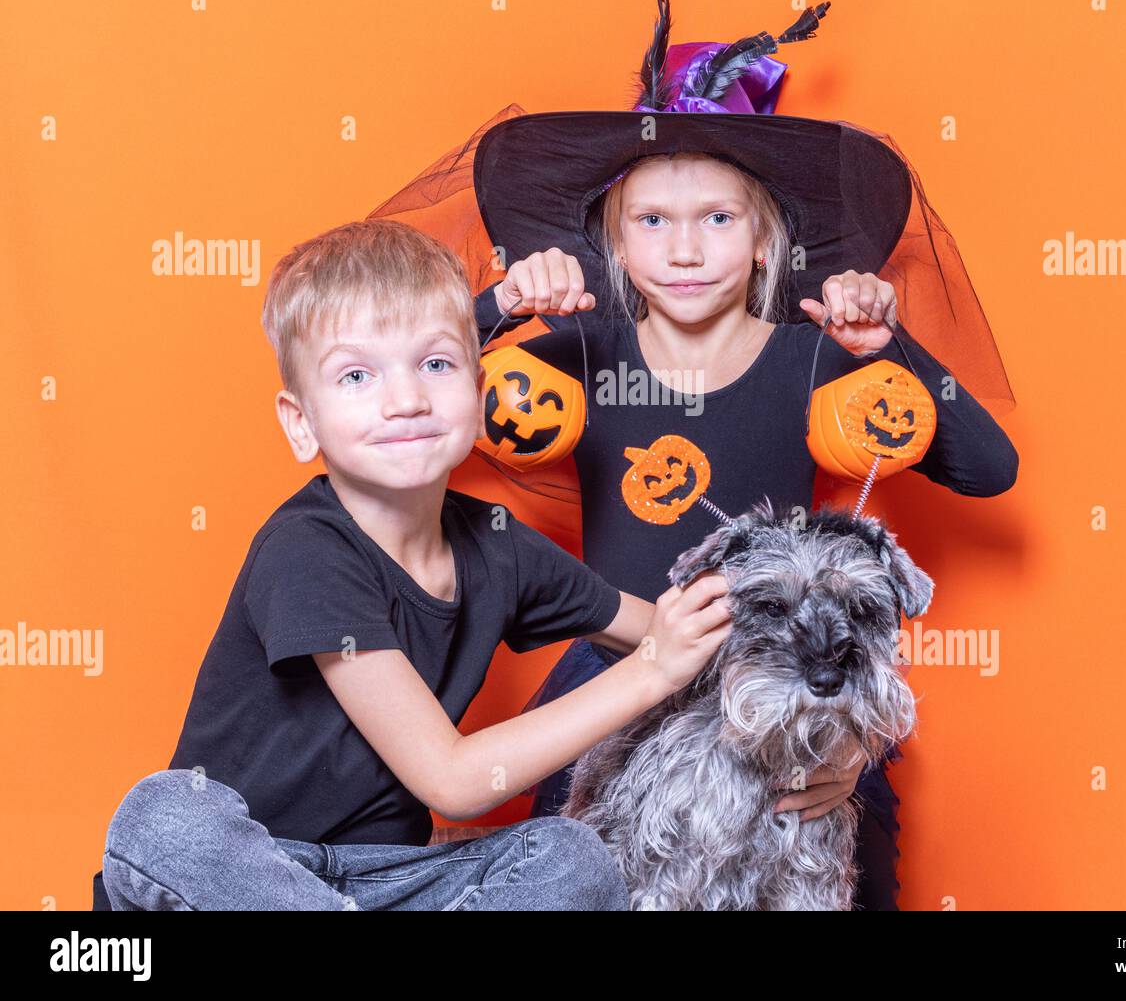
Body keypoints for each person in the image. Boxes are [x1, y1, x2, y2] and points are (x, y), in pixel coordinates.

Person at [392, 0, 1020, 910]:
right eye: (654, 222)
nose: (685, 251)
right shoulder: (583, 349)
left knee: (846, 857)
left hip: (780, 667)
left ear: (766, 241)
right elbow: (398, 406)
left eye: (718, 220)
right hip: (620, 667)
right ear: (615, 240)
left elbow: (988, 466)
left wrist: (889, 346)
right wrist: (500, 306)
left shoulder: (811, 360)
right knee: (568, 879)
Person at [96, 219, 733, 911]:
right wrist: (650, 672)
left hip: (391, 880)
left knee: (571, 855)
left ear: (478, 385)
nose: (405, 400)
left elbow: (683, 638)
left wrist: (830, 746)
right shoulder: (306, 551)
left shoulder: (496, 543)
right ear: (300, 422)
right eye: (357, 375)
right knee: (161, 819)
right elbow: (451, 781)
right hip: (248, 877)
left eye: (435, 364)